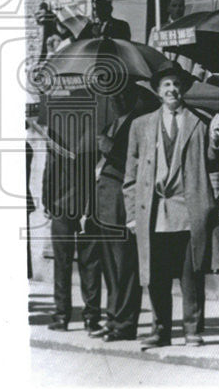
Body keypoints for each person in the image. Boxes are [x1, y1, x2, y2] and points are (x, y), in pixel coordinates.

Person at [122, 63, 219, 349]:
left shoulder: (200, 120)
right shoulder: (141, 125)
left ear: (183, 90)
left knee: (191, 275)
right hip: (154, 213)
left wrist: (217, 139)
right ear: (158, 92)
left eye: (176, 85)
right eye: (166, 85)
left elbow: (214, 162)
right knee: (156, 277)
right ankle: (161, 331)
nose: (172, 89)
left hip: (189, 210)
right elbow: (130, 176)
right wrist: (132, 215)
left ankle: (193, 331)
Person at [91, 86, 149, 341]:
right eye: (113, 95)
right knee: (111, 267)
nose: (116, 99)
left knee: (124, 265)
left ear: (133, 98)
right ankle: (113, 318)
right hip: (104, 203)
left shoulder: (137, 124)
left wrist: (109, 147)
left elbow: (137, 161)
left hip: (120, 203)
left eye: (122, 94)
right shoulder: (112, 124)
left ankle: (125, 324)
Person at [43, 114, 104, 333]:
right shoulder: (98, 126)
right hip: (86, 204)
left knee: (64, 262)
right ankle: (91, 318)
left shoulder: (57, 127)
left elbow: (50, 168)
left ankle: (62, 317)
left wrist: (48, 201)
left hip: (67, 205)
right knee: (90, 263)